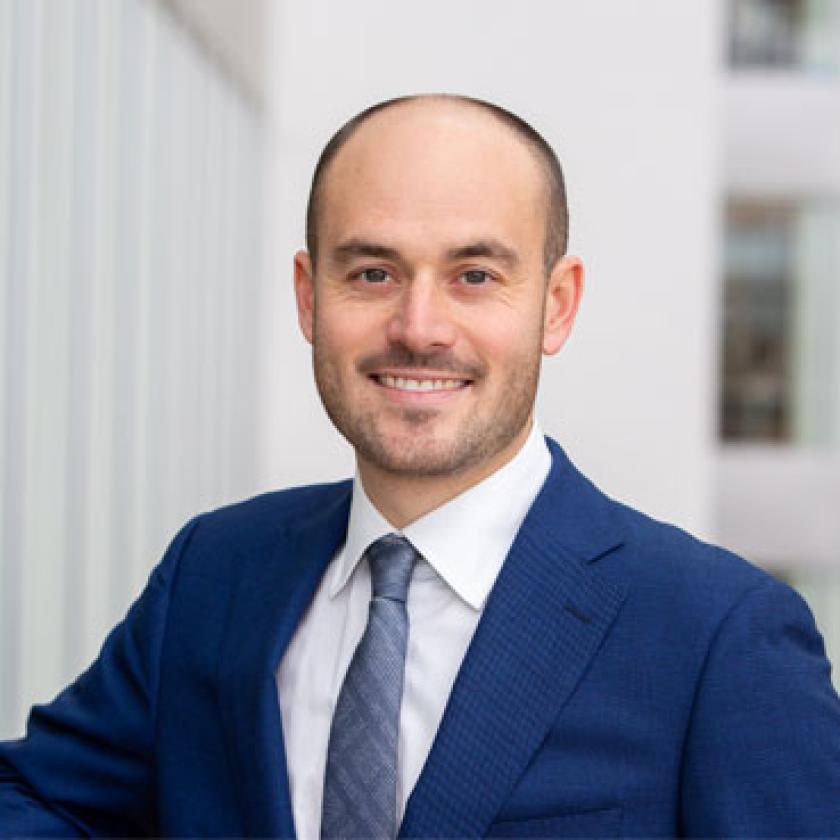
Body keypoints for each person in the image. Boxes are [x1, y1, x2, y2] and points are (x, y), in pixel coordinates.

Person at [2, 94, 839, 839]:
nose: (419, 326)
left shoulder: (718, 636)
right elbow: (36, 796)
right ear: (309, 296)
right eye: (373, 272)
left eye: (475, 276)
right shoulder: (216, 570)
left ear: (557, 304)